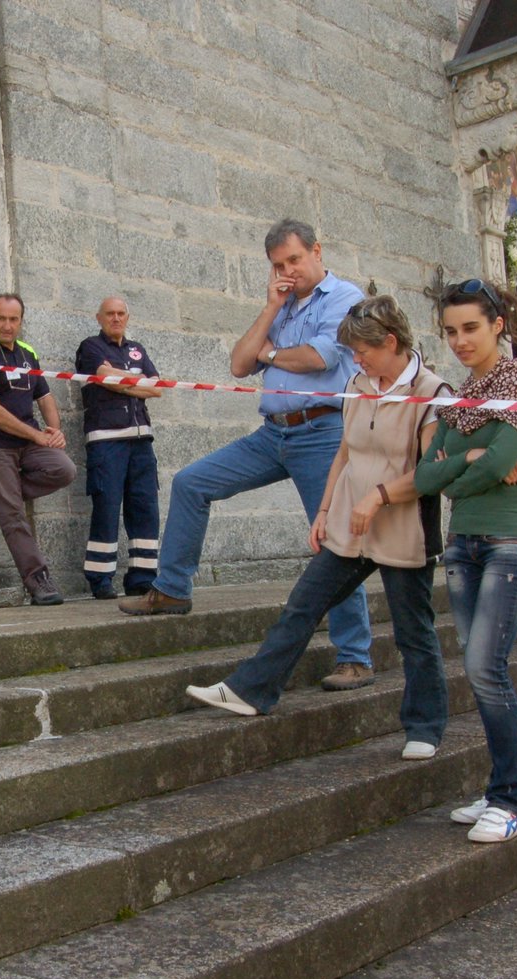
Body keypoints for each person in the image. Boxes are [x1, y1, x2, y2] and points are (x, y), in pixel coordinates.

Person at [185, 296, 451, 759]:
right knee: (303, 605)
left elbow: (431, 472)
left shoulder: (432, 392)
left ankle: (424, 727)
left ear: (391, 341)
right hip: (351, 524)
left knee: (414, 632)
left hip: (404, 528)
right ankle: (252, 690)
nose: (357, 358)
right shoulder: (357, 382)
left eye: (363, 349)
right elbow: (345, 453)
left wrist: (380, 496)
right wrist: (326, 510)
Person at [120, 218, 376, 693]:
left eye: (295, 260)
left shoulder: (344, 298)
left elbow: (318, 357)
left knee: (336, 539)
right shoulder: (281, 306)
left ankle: (354, 656)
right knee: (192, 482)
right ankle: (173, 589)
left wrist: (272, 354)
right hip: (272, 433)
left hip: (322, 431)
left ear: (318, 251)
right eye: (279, 265)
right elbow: (240, 363)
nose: (288, 270)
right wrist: (269, 309)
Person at [414, 278, 517, 845]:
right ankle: (504, 784)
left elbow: (486, 465)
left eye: (471, 328)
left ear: (498, 324)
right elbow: (426, 475)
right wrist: (471, 455)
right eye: (451, 331)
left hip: (512, 540)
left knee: (486, 668)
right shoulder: (456, 396)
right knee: (480, 673)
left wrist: (467, 456)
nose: (459, 340)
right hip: (463, 544)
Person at [0, 293, 76, 605]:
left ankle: (1, 500)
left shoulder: (27, 353)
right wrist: (37, 435)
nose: (7, 325)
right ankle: (38, 581)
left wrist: (54, 431)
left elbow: (45, 396)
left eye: (14, 319)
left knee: (64, 468)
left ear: (21, 322)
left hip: (27, 443)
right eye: (2, 318)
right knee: (14, 516)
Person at [76, 296, 162, 599]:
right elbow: (103, 376)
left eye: (121, 313)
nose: (116, 318)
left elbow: (157, 387)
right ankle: (100, 580)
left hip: (141, 443)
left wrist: (121, 380)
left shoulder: (137, 349)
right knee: (107, 510)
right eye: (110, 314)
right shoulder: (91, 347)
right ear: (99, 318)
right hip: (106, 442)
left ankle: (142, 578)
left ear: (128, 317)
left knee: (145, 509)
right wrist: (134, 381)